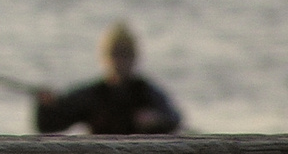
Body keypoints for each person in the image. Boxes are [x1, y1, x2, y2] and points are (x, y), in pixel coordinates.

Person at [35, 22, 182, 134]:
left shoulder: (146, 92)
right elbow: (49, 125)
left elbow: (174, 119)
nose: (119, 61)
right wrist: (46, 105)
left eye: (125, 54)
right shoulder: (93, 95)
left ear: (134, 57)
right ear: (104, 57)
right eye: (114, 54)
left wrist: (155, 120)